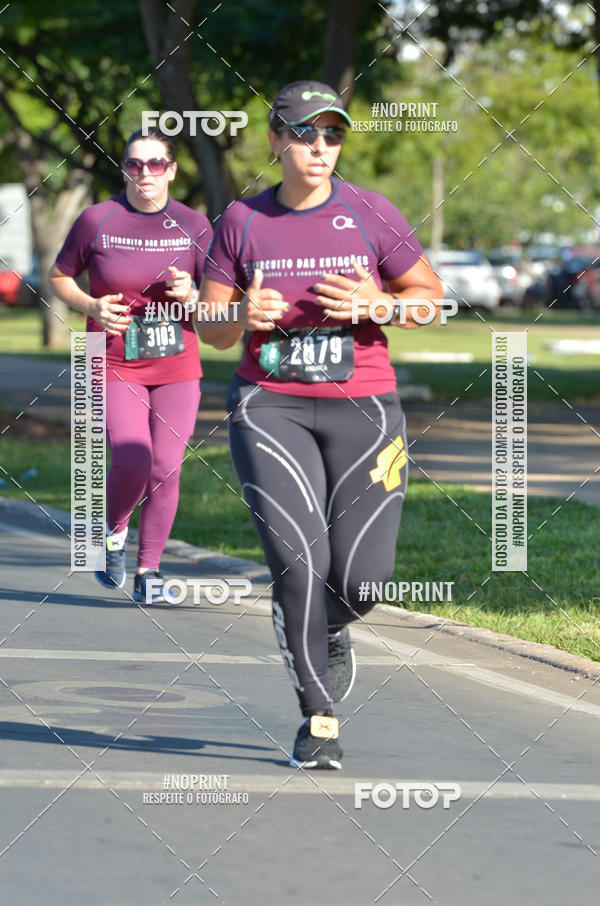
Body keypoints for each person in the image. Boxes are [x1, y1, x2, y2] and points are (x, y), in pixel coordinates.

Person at [197, 80, 442, 769]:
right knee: (299, 565)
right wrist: (242, 315)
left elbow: (431, 300)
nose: (319, 147)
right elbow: (210, 330)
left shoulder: (370, 210)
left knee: (364, 581)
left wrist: (380, 303)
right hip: (269, 406)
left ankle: (328, 627)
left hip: (364, 408)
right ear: (275, 140)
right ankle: (317, 715)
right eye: (304, 134)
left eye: (332, 134)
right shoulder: (241, 220)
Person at [50, 128, 212, 603]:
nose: (145, 173)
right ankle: (113, 528)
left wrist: (193, 295)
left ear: (172, 170)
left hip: (177, 363)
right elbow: (60, 276)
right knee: (133, 455)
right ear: (124, 167)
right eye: (134, 164)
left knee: (166, 466)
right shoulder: (96, 219)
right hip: (108, 358)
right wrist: (91, 306)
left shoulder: (194, 224)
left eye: (155, 164)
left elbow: (221, 300)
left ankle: (150, 569)